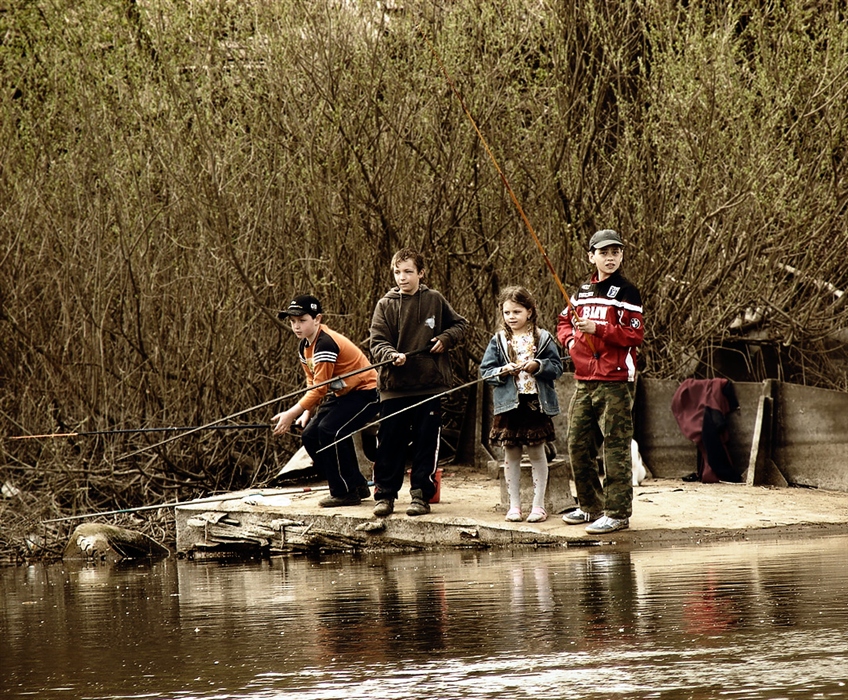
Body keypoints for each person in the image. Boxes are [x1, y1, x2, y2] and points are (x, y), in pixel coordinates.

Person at [369, 248, 468, 517]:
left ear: (421, 273)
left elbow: (460, 325)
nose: (402, 277)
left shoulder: (435, 299)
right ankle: (385, 495)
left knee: (426, 441)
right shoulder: (385, 305)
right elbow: (376, 342)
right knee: (390, 442)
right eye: (398, 272)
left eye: (408, 272)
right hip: (394, 387)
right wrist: (390, 356)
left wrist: (445, 339)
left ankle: (421, 495)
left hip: (429, 386)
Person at [558, 229, 644, 534]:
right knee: (577, 443)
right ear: (591, 256)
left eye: (616, 252)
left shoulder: (627, 292)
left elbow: (634, 334)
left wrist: (599, 329)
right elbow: (563, 321)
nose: (610, 258)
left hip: (616, 380)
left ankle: (618, 512)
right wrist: (569, 341)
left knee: (615, 446)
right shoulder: (581, 291)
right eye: (604, 253)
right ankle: (590, 506)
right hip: (584, 378)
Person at [272, 295, 379, 507]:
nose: (296, 326)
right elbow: (312, 382)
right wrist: (306, 412)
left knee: (331, 431)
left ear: (317, 319)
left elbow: (320, 388)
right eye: (292, 321)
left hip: (366, 392)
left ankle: (344, 492)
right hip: (343, 394)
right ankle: (355, 484)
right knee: (311, 435)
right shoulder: (305, 346)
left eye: (302, 320)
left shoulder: (325, 344)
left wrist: (291, 413)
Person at [480, 286, 563, 523]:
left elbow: (557, 368)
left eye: (517, 311)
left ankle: (538, 506)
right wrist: (501, 371)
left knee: (537, 453)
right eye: (507, 312)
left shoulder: (544, 338)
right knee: (511, 454)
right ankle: (514, 506)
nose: (511, 317)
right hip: (509, 406)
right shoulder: (498, 340)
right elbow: (485, 371)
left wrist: (539, 366)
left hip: (535, 403)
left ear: (530, 311)